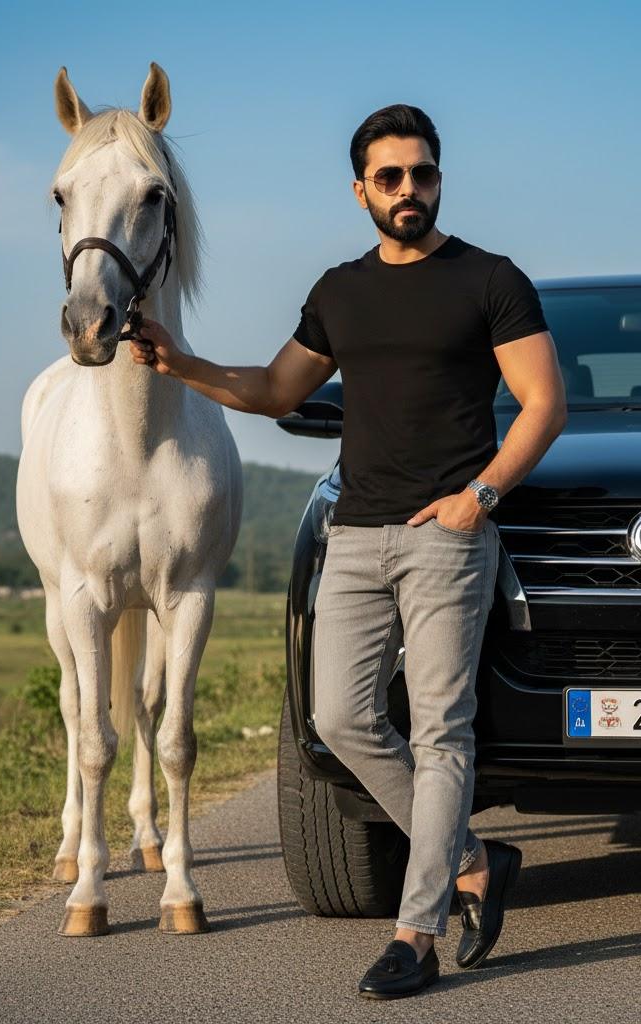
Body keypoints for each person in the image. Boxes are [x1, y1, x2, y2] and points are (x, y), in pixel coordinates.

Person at [126, 103, 567, 999]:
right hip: (357, 535)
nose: (411, 191)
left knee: (442, 732)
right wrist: (181, 363)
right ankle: (475, 859)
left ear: (440, 179)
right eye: (392, 177)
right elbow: (276, 387)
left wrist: (478, 499)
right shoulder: (339, 291)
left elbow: (543, 404)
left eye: (425, 174)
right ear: (361, 188)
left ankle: (418, 931)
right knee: (339, 718)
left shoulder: (492, 280)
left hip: (447, 538)